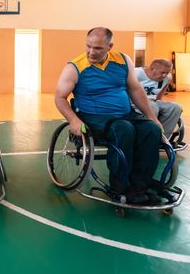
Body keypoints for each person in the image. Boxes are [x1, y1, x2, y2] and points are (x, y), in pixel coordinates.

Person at [54, 27, 163, 203]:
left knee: (151, 130)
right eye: (88, 46)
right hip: (93, 116)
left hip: (125, 114)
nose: (91, 52)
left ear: (109, 46)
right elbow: (59, 97)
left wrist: (151, 116)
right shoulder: (75, 67)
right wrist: (73, 120)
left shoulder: (123, 60)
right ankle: (120, 186)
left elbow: (135, 88)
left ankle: (139, 186)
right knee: (123, 129)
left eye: (97, 48)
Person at [135, 59, 184, 149]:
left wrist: (161, 106)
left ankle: (160, 138)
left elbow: (159, 97)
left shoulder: (167, 78)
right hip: (134, 102)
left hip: (153, 101)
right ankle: (146, 138)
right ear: (152, 68)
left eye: (167, 72)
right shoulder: (136, 73)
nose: (164, 75)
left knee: (175, 107)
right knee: (152, 106)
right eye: (162, 72)